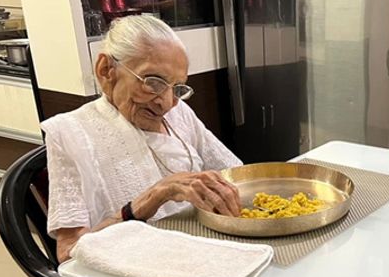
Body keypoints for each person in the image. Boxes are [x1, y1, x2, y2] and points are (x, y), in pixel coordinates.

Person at [43, 15, 243, 262]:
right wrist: (153, 196)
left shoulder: (179, 113)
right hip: (140, 266)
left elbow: (236, 176)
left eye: (177, 88)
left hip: (206, 250)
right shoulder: (70, 134)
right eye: (153, 82)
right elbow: (68, 253)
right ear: (106, 69)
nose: (166, 103)